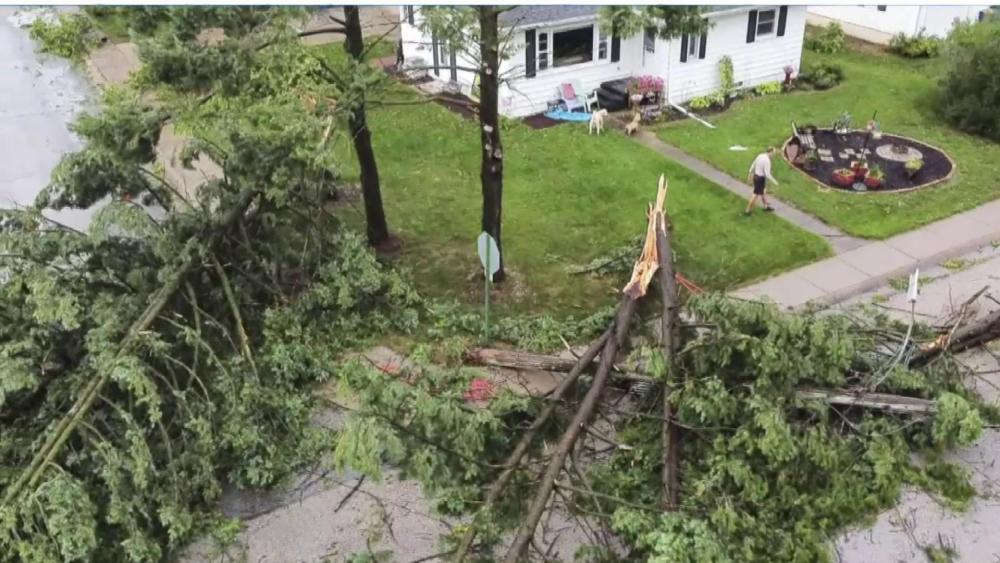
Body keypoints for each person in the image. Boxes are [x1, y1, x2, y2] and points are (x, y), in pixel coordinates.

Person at [745, 146, 779, 215]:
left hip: (756, 176)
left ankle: (766, 206)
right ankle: (747, 210)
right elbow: (767, 174)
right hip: (760, 179)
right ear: (770, 152)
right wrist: (775, 182)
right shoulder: (767, 161)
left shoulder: (760, 155)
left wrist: (750, 172)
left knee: (763, 192)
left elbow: (753, 164)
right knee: (755, 195)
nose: (773, 155)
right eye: (773, 153)